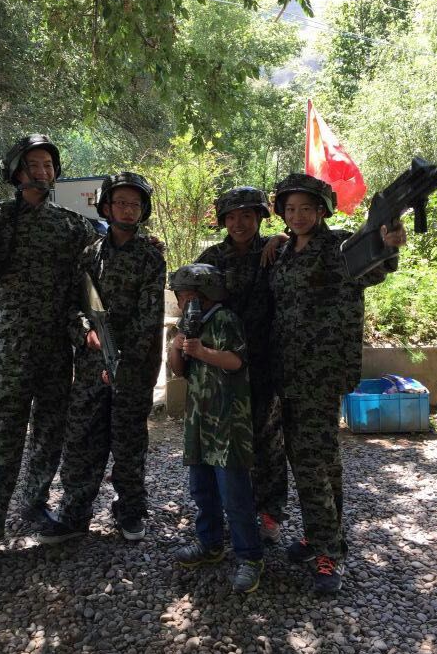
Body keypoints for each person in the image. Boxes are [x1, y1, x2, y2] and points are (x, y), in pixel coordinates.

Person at [0, 134, 97, 582]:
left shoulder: (71, 226)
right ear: (16, 172)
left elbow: (94, 273)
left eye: (49, 165)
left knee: (50, 433)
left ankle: (34, 502)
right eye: (34, 164)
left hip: (55, 350)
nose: (43, 172)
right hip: (9, 352)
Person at [269, 173, 407, 594]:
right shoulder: (284, 251)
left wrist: (388, 243)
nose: (297, 216)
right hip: (287, 374)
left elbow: (375, 265)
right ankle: (324, 536)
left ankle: (327, 554)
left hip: (321, 373)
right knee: (321, 460)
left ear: (322, 211)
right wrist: (274, 241)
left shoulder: (338, 246)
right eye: (290, 209)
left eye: (306, 209)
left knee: (312, 463)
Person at [38, 172, 166, 543]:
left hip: (133, 369)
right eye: (121, 203)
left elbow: (149, 316)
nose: (128, 210)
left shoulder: (150, 256)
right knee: (82, 440)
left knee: (129, 444)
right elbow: (73, 306)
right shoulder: (90, 254)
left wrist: (122, 362)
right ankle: (74, 514)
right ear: (106, 207)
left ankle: (130, 511)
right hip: (91, 367)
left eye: (135, 204)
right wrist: (86, 332)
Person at [196, 187, 287, 543]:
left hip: (264, 361)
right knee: (226, 437)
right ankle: (231, 509)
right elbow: (191, 295)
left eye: (247, 216)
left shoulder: (275, 251)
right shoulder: (211, 258)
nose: (239, 224)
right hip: (221, 363)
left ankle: (269, 513)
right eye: (231, 217)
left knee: (267, 439)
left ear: (260, 217)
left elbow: (304, 247)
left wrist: (282, 237)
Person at [168, 263, 264, 594]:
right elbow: (178, 371)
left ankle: (250, 557)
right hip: (199, 422)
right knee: (202, 489)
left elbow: (236, 361)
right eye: (181, 297)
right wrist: (176, 346)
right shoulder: (187, 324)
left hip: (228, 423)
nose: (184, 302)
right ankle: (210, 543)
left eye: (189, 296)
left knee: (235, 495)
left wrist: (202, 351)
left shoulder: (224, 319)